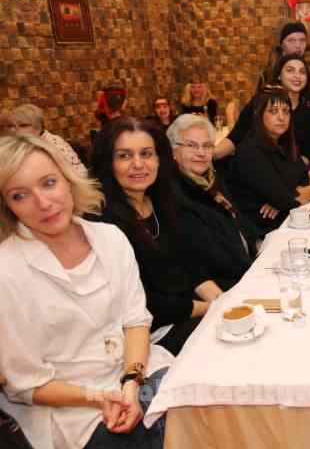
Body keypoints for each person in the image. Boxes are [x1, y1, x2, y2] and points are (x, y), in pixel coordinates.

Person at [0, 135, 173, 449]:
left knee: (209, 400)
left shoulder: (109, 238)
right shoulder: (6, 271)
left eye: (49, 183)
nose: (43, 203)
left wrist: (130, 382)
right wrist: (100, 397)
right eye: (20, 195)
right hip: (73, 413)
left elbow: (135, 322)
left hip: (136, 375)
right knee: (183, 428)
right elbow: (25, 386)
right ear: (7, 206)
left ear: (68, 179)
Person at [91, 117, 222, 356]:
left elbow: (191, 262)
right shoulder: (102, 221)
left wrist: (219, 300)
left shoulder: (162, 200)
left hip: (188, 311)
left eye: (146, 154)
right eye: (124, 156)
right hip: (147, 333)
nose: (138, 164)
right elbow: (143, 302)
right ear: (108, 163)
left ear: (159, 159)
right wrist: (210, 308)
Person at [166, 114, 255, 289]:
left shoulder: (211, 180)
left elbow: (239, 222)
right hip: (223, 285)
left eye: (206, 146)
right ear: (173, 151)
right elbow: (208, 254)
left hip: (246, 268)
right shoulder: (175, 193)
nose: (201, 153)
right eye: (192, 145)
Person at [216, 22, 310, 160]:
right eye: (292, 40)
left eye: (302, 40)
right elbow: (238, 134)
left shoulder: (307, 104)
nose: (298, 45)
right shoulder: (263, 90)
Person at [226, 86, 310, 236]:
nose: (281, 117)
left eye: (286, 111)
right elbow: (287, 200)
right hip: (262, 232)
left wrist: (285, 199)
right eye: (273, 111)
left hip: (286, 221)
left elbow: (303, 177)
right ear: (259, 115)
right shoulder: (250, 151)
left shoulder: (284, 145)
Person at [8, 103, 87, 175]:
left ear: (38, 126)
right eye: (12, 126)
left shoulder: (52, 145)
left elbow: (77, 175)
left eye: (23, 125)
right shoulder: (29, 142)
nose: (15, 130)